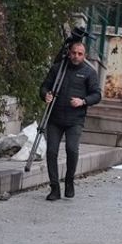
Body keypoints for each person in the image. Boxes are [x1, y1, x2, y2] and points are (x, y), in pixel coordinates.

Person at [39, 40, 101, 201]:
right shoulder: (58, 69)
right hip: (55, 118)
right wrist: (46, 95)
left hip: (75, 119)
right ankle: (54, 187)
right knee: (51, 151)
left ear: (84, 56)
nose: (76, 56)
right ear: (69, 53)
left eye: (80, 54)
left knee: (72, 149)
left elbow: (97, 94)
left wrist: (83, 101)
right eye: (74, 53)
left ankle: (69, 181)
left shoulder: (89, 72)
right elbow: (44, 87)